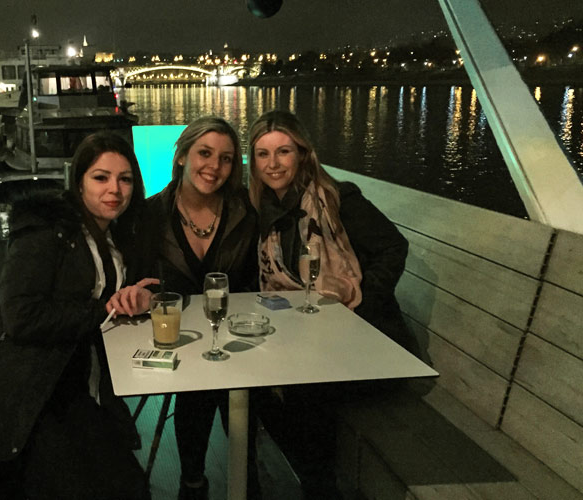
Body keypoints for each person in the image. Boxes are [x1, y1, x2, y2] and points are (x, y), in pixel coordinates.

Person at [0, 131, 155, 500]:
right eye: (101, 177)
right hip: (22, 386)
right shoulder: (46, 231)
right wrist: (102, 309)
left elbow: (142, 283)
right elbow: (20, 317)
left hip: (69, 380)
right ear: (79, 182)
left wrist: (145, 295)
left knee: (127, 484)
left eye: (125, 179)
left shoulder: (117, 236)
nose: (115, 190)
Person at [247, 109, 417, 499]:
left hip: (366, 347)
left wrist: (356, 300)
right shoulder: (264, 213)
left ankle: (320, 490)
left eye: (283, 152)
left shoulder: (337, 200)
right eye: (262, 154)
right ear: (253, 163)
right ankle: (256, 483)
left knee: (304, 393)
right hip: (308, 343)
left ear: (303, 154)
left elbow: (394, 248)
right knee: (250, 389)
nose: (273, 164)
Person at [111, 117, 259, 500]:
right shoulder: (147, 216)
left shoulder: (246, 212)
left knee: (237, 393)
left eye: (226, 158)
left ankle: (228, 478)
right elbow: (136, 275)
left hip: (233, 334)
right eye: (204, 153)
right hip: (176, 335)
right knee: (198, 393)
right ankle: (198, 479)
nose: (214, 167)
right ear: (181, 156)